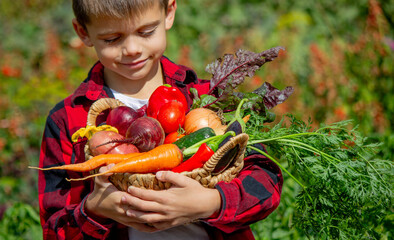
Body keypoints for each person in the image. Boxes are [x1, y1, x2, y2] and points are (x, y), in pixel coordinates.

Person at [37, 0, 283, 239]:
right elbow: (53, 228)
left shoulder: (208, 100)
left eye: (146, 32)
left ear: (169, 12)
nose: (132, 48)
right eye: (112, 39)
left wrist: (212, 202)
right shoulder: (69, 119)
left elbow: (267, 182)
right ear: (83, 32)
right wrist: (94, 210)